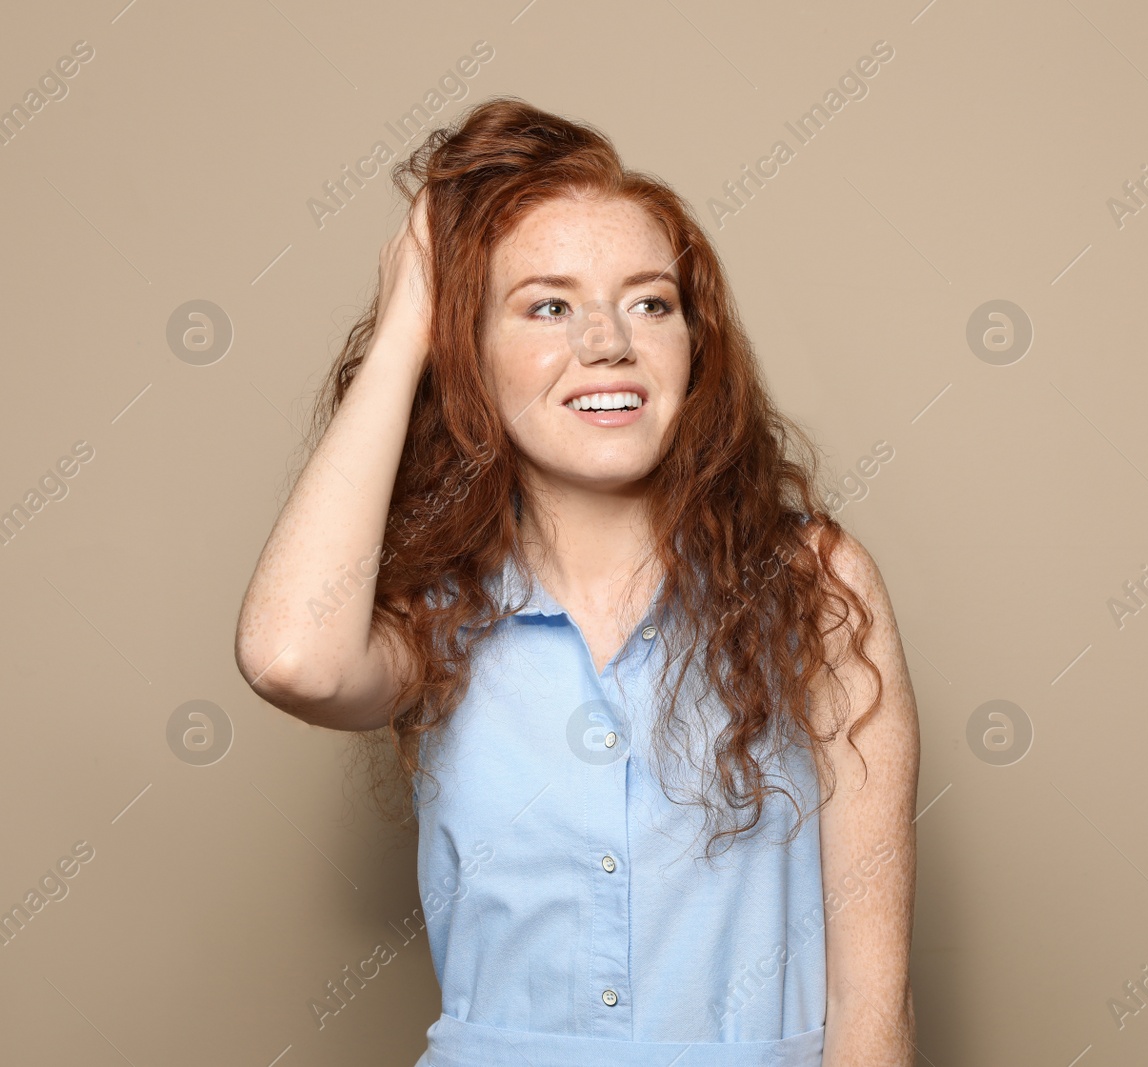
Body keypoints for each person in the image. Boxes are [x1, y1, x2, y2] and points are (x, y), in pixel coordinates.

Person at [233, 97, 920, 1066]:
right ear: (465, 350)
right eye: (547, 305)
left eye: (650, 301)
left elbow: (871, 1003)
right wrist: (403, 332)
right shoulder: (436, 609)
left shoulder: (813, 583)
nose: (609, 342)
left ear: (694, 343)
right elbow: (291, 657)